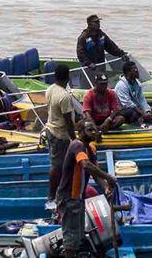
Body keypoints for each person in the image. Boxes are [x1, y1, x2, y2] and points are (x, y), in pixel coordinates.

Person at [57, 120, 117, 258]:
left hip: (79, 197)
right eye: (90, 130)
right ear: (81, 132)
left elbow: (94, 173)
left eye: (95, 129)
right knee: (71, 235)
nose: (94, 132)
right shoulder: (77, 145)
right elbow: (86, 165)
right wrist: (108, 177)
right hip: (69, 197)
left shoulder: (91, 148)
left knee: (78, 234)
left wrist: (106, 187)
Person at [45, 63, 76, 211]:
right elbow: (68, 121)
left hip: (50, 130)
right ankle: (51, 197)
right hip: (59, 135)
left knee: (60, 165)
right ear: (68, 77)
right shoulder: (64, 96)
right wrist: (74, 140)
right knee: (57, 167)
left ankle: (61, 192)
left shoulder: (50, 89)